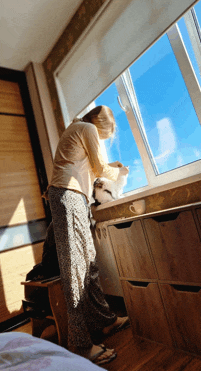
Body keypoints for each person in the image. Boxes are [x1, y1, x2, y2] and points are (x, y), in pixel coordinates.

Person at [44, 105, 129, 366]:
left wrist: (108, 167)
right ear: (102, 125)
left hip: (74, 196)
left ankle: (105, 320)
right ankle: (80, 344)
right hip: (68, 195)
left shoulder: (79, 129)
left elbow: (91, 168)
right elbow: (100, 168)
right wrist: (121, 172)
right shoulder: (88, 128)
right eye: (107, 136)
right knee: (76, 269)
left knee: (89, 263)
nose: (103, 139)